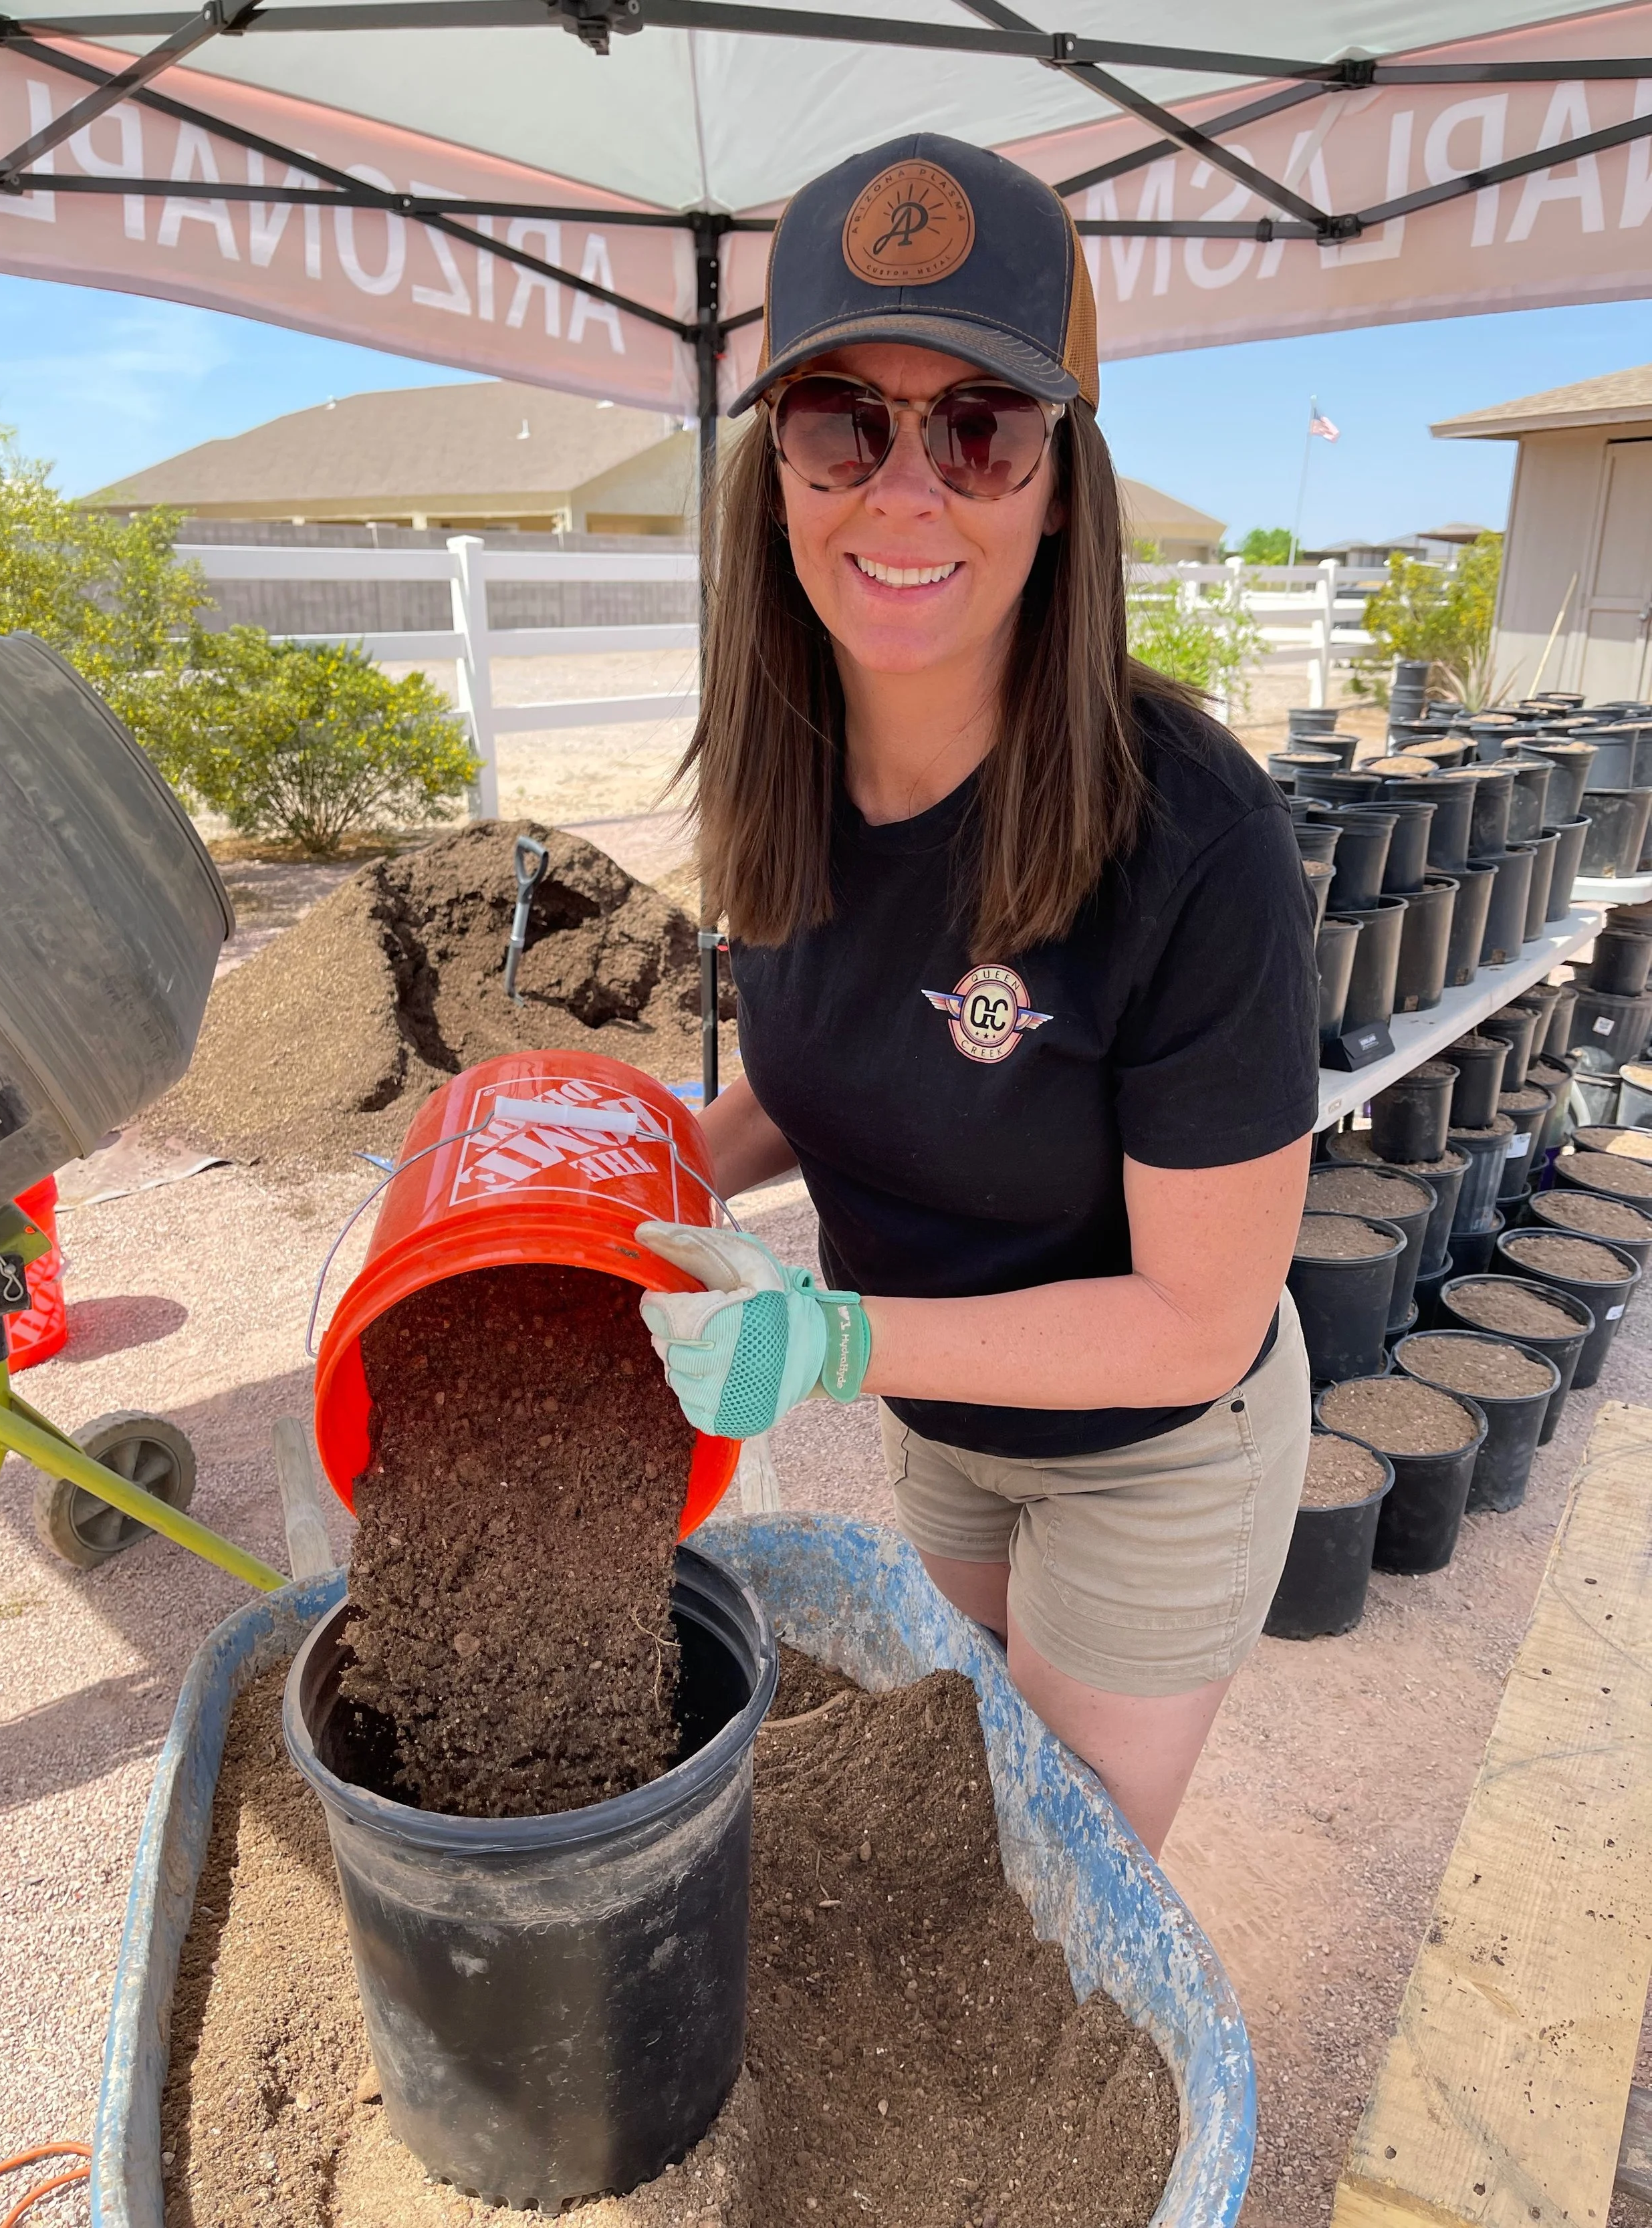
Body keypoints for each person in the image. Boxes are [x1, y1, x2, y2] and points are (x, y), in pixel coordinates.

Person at [637, 133, 1317, 1860]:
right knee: (958, 1780)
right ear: (775, 467)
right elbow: (833, 1057)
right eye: (839, 421)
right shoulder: (777, 767)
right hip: (944, 1420)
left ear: (1061, 481)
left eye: (981, 429)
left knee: (1049, 1879)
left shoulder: (1191, 837)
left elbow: (1193, 1318)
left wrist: (831, 1341)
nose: (906, 488)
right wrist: (646, 1176)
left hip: (1156, 1450)